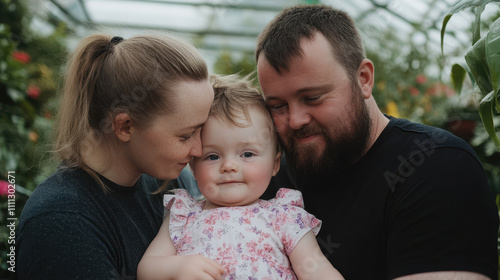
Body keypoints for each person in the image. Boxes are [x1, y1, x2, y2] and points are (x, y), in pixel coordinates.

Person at [255, 4, 499, 280]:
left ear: (363, 79)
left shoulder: (437, 167)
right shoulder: (264, 180)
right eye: (277, 106)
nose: (295, 119)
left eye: (313, 98)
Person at [16, 33, 215, 279]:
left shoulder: (167, 184)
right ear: (124, 127)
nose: (198, 150)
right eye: (185, 136)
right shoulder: (61, 221)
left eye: (202, 131)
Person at [137, 75, 345, 280]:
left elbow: (317, 271)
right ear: (193, 167)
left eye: (247, 154)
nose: (228, 166)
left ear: (274, 164)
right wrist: (177, 267)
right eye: (213, 156)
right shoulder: (184, 215)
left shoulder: (284, 217)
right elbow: (148, 267)